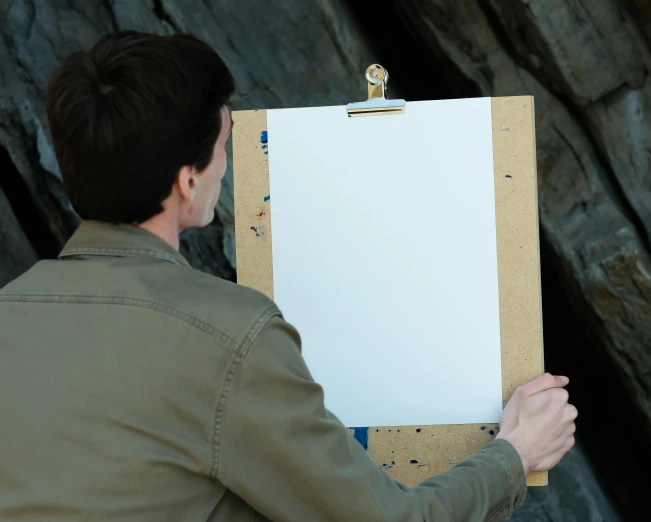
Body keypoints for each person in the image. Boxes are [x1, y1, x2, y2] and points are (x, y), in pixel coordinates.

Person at [0, 31, 577, 521]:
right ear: (188, 182)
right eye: (225, 144)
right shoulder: (230, 336)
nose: (228, 163)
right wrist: (516, 453)